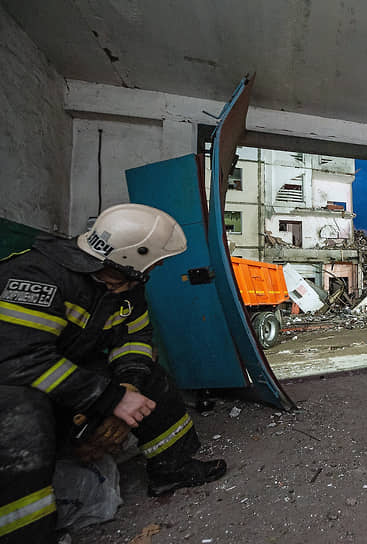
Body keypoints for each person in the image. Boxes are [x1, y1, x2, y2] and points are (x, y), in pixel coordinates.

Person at [0, 204, 227, 542]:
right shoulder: (37, 275)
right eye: (156, 260)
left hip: (61, 371)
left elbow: (136, 339)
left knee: (153, 378)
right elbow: (17, 359)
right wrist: (110, 399)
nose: (160, 266)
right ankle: (27, 533)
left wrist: (128, 388)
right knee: (23, 419)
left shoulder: (126, 284)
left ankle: (172, 467)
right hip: (12, 381)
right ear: (131, 257)